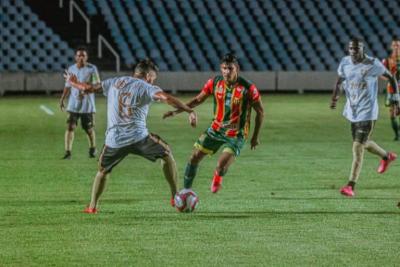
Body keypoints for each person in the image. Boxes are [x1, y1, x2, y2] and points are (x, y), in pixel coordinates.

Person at [64, 59, 197, 213]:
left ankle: (92, 206)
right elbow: (167, 98)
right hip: (139, 138)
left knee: (102, 171)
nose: (153, 81)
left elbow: (88, 88)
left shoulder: (115, 81)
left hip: (114, 140)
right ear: (147, 75)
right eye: (153, 78)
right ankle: (175, 196)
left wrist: (73, 83)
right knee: (166, 154)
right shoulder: (147, 87)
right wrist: (189, 110)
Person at [163, 53, 264, 193]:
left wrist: (255, 136)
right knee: (194, 157)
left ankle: (217, 177)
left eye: (230, 68)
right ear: (220, 69)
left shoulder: (248, 88)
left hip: (236, 133)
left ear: (237, 69)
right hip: (215, 129)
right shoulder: (215, 83)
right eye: (224, 68)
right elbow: (197, 100)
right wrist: (176, 111)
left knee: (221, 166)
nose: (227, 72)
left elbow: (260, 111)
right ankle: (186, 192)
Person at [330, 37, 399, 197]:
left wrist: (396, 100)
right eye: (351, 48)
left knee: (357, 147)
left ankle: (350, 185)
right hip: (353, 111)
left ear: (362, 49)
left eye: (357, 48)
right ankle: (386, 156)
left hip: (368, 112)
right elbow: (340, 80)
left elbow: (391, 77)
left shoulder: (372, 63)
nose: (353, 51)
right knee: (364, 142)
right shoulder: (345, 62)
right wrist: (335, 97)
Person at [59, 47, 100, 159]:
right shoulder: (71, 69)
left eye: (83, 55)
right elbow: (67, 85)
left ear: (86, 57)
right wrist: (62, 99)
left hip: (87, 105)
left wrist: (86, 91)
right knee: (70, 127)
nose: (81, 57)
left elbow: (97, 85)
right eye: (79, 55)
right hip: (73, 105)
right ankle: (68, 152)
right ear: (75, 57)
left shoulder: (92, 69)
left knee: (88, 129)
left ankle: (92, 148)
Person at [382, 37, 400, 140]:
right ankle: (397, 135)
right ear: (391, 47)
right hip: (392, 90)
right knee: (392, 114)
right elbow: (381, 73)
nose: (396, 47)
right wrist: (389, 77)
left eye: (398, 45)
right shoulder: (387, 60)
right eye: (394, 45)